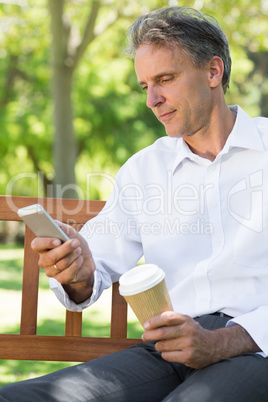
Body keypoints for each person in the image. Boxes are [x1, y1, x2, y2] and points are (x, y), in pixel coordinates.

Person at [1, 6, 268, 402]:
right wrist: (76, 269)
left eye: (165, 79)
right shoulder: (145, 169)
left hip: (256, 347)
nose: (152, 100)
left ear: (213, 72)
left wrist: (224, 341)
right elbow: (92, 271)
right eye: (145, 85)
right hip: (169, 349)